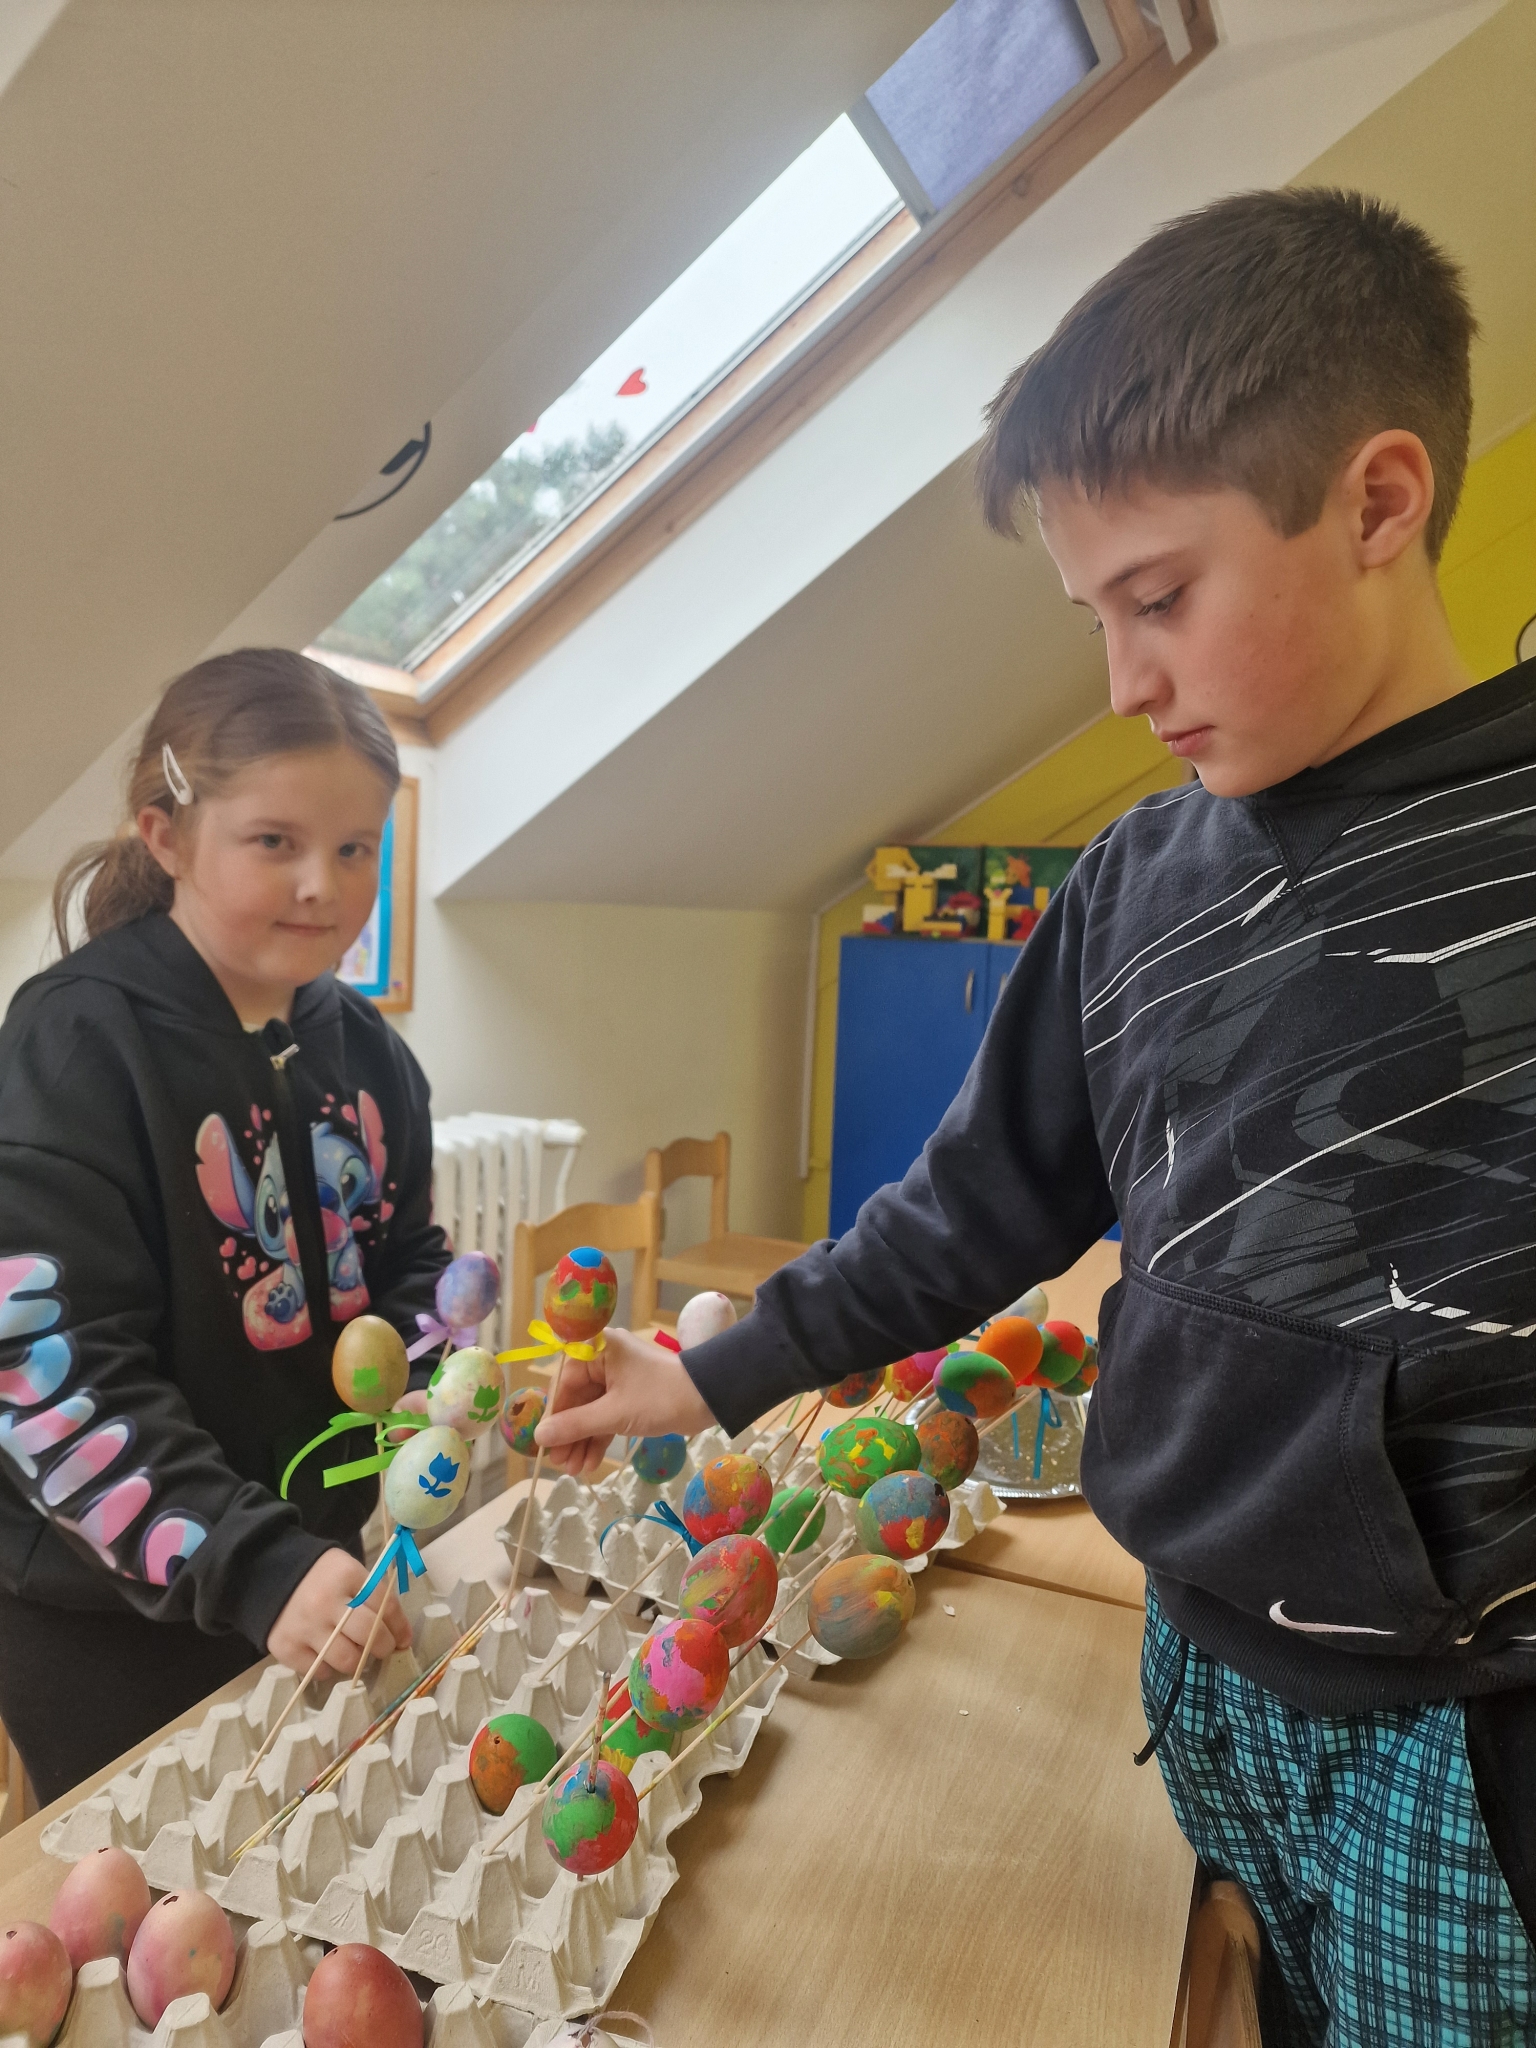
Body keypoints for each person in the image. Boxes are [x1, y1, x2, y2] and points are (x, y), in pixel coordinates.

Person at [537, 188, 1536, 2044]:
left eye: (1159, 599)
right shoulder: (1135, 880)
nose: (1124, 683)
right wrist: (715, 1371)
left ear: (1380, 504)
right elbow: (971, 1207)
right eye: (1094, 617)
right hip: (1200, 1653)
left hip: (1465, 1727)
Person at [0, 649, 450, 1803]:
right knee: (160, 1897)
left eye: (355, 849)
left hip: (320, 1567)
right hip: (117, 1612)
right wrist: (255, 1565)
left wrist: (435, 1368)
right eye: (274, 841)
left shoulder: (370, 1051)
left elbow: (407, 1259)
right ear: (166, 835)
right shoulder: (76, 1044)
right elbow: (51, 1371)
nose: (323, 885)